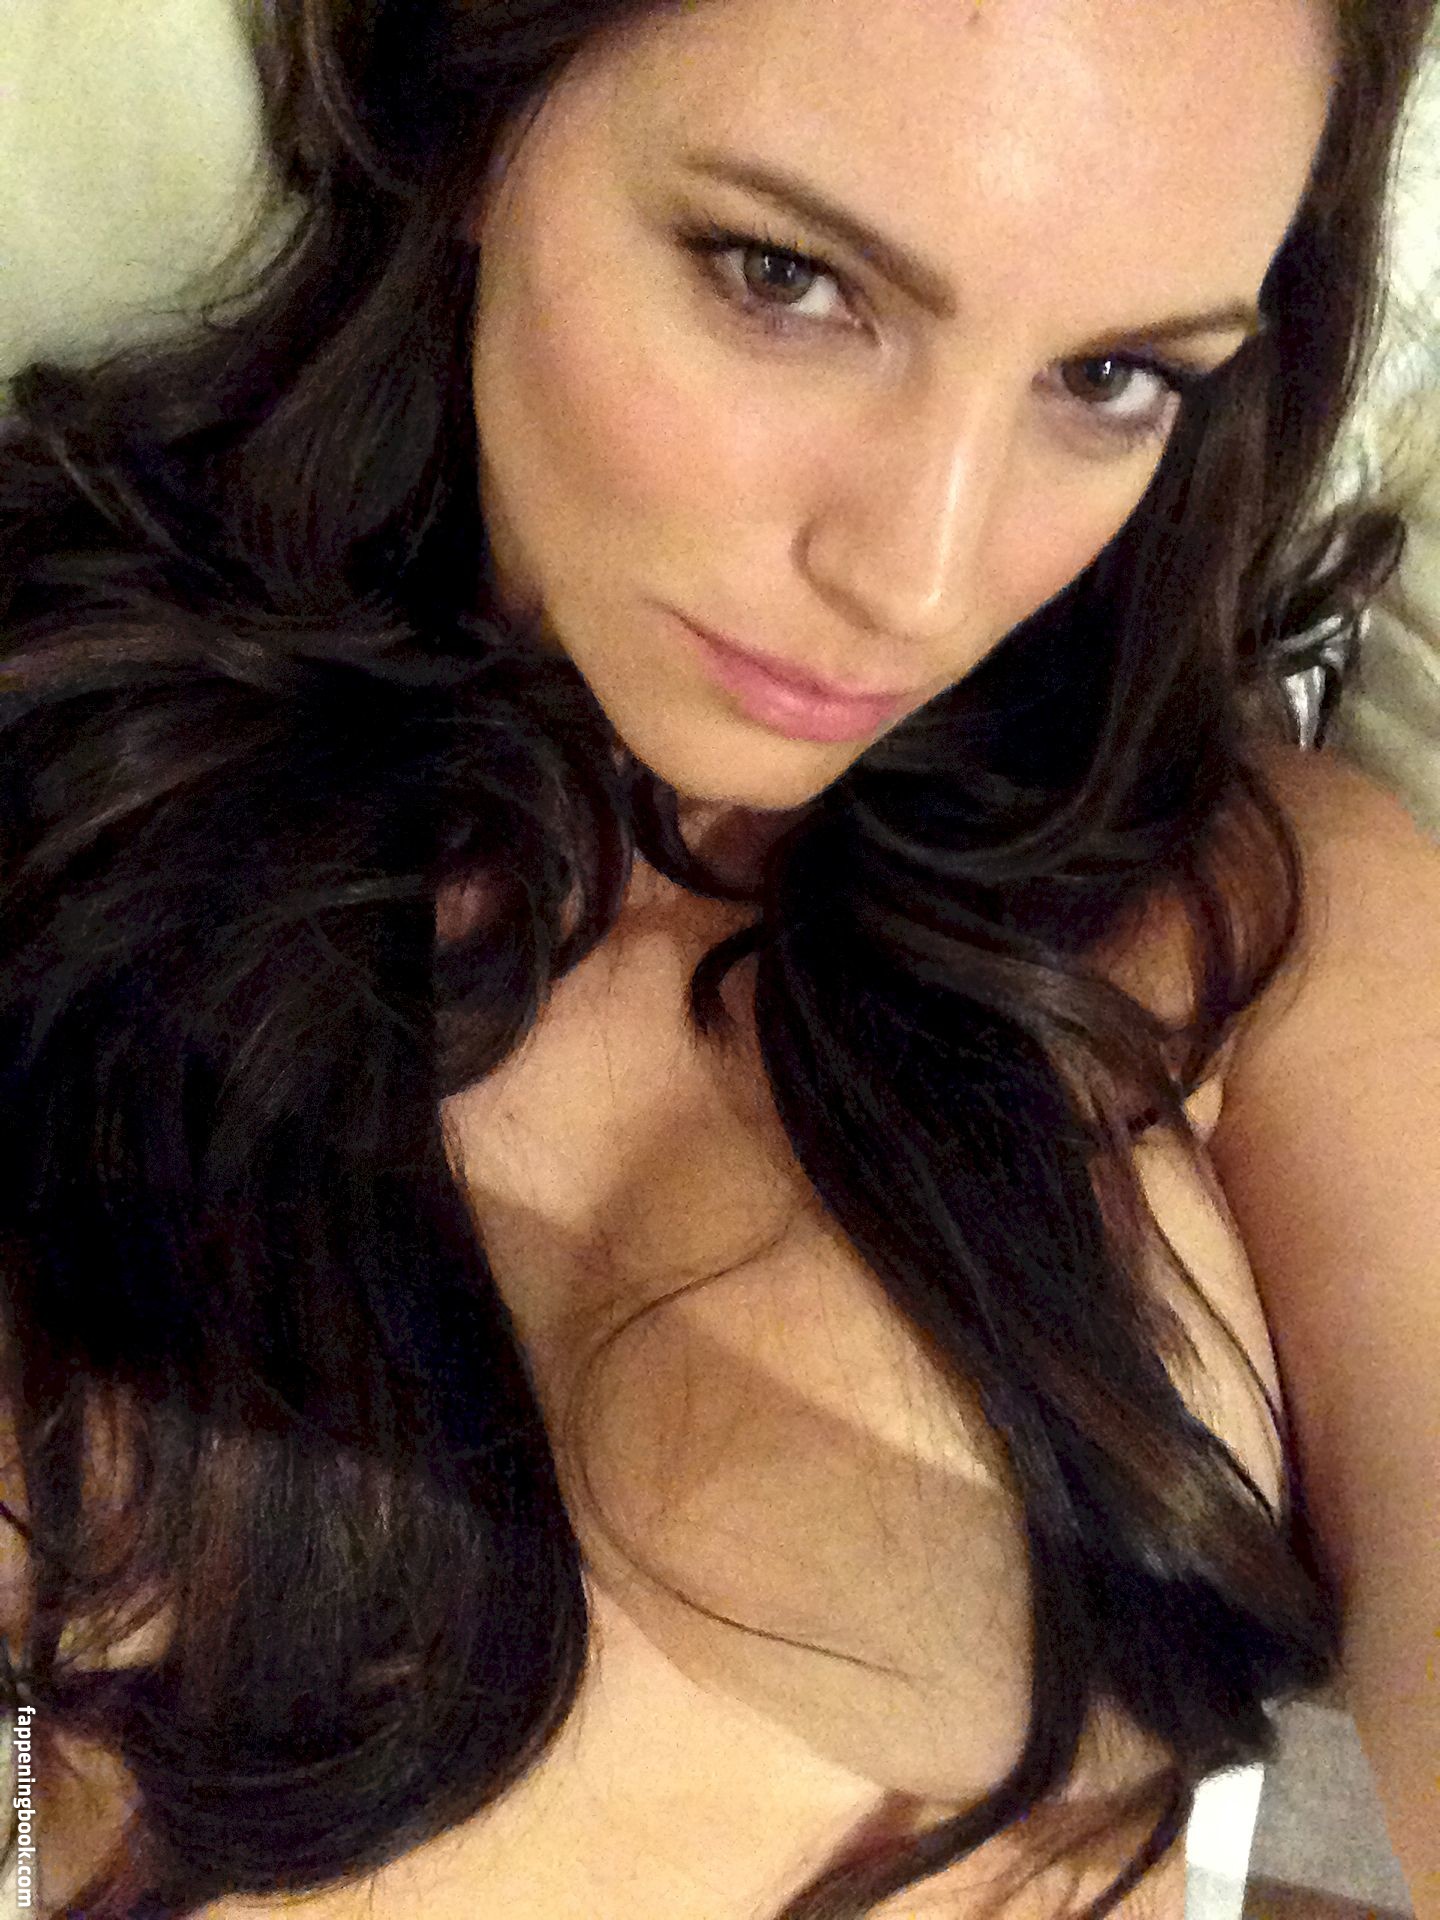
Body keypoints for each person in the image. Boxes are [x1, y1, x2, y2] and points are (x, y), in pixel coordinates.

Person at [0, 1, 1437, 1916]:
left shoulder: (1263, 917)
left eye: (1112, 376)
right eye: (785, 278)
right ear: (478, 114)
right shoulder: (58, 805)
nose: (920, 576)